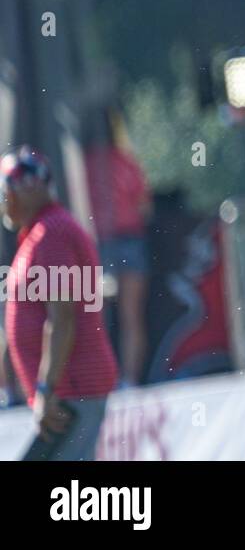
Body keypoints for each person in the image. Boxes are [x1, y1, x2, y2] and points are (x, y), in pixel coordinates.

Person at [1, 146, 119, 459]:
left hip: (71, 389)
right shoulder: (41, 231)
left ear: (27, 189)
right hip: (65, 389)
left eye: (5, 190)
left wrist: (46, 389)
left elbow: (63, 318)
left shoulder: (52, 233)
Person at [83, 108, 153, 386]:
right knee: (131, 316)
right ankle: (130, 380)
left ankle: (102, 379)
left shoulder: (82, 164)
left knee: (95, 318)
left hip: (96, 244)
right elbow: (144, 205)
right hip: (129, 240)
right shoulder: (126, 161)